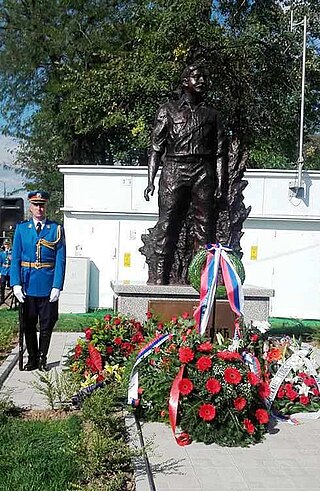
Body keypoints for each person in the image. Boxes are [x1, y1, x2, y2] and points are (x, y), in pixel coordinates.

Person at [142, 62, 227, 284]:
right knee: (167, 224)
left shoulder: (213, 115)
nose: (202, 81)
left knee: (204, 227)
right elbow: (156, 147)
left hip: (203, 171)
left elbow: (220, 153)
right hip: (174, 168)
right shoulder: (167, 111)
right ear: (184, 82)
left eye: (204, 77)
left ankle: (200, 282)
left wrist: (221, 184)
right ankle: (159, 280)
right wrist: (150, 180)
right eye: (197, 77)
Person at [10, 191, 66, 370]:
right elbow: (16, 258)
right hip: (27, 284)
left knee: (47, 324)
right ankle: (32, 358)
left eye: (42, 205)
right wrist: (16, 283)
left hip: (47, 284)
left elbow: (61, 259)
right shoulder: (21, 229)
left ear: (46, 206)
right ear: (30, 207)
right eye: (35, 205)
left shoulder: (55, 229)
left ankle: (42, 357)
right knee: (28, 324)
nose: (39, 208)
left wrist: (57, 285)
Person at [0, 239, 11, 304]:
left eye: (7, 244)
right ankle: (2, 298)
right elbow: (0, 263)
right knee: (2, 284)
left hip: (10, 271)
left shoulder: (12, 253)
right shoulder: (1, 254)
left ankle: (14, 299)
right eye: (5, 244)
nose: (7, 245)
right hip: (4, 271)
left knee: (11, 285)